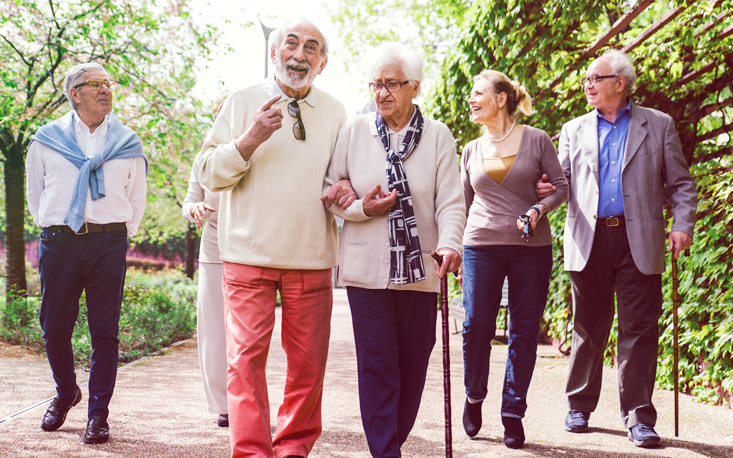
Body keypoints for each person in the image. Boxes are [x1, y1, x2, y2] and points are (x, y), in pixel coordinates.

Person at [197, 19, 350, 458]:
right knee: (244, 363)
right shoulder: (242, 102)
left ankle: (293, 450)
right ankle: (251, 453)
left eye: (311, 47)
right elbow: (207, 173)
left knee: (307, 368)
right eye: (291, 44)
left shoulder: (338, 112)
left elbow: (340, 182)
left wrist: (354, 195)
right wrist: (249, 140)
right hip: (248, 256)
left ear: (323, 61)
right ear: (273, 52)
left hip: (312, 257)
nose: (299, 54)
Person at [321, 42, 465, 458]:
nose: (381, 92)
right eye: (376, 84)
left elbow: (451, 202)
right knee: (378, 364)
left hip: (420, 273)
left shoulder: (438, 137)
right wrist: (362, 207)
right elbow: (332, 192)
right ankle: (386, 452)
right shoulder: (355, 131)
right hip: (366, 271)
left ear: (414, 87)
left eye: (391, 84)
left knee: (412, 369)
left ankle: (391, 441)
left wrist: (451, 243)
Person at [551, 49, 696, 448]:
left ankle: (638, 417)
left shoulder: (659, 125)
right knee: (588, 326)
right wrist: (542, 192)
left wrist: (682, 225)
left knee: (639, 329)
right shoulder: (573, 129)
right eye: (586, 80)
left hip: (640, 239)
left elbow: (681, 185)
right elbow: (560, 183)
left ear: (620, 82)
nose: (588, 85)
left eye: (595, 78)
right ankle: (579, 405)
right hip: (590, 237)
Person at [26, 62, 148, 444]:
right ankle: (66, 393)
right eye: (95, 84)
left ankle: (98, 414)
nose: (105, 89)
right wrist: (58, 230)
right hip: (60, 242)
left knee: (105, 333)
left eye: (109, 83)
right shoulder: (46, 140)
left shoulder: (128, 142)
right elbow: (35, 195)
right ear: (74, 93)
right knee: (54, 329)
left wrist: (113, 234)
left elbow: (136, 200)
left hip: (108, 244)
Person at [458, 69, 569, 449]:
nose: (470, 100)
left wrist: (539, 208)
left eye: (477, 93)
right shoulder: (471, 150)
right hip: (480, 247)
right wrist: (457, 250)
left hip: (531, 249)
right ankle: (474, 396)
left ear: (500, 98)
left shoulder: (536, 140)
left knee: (524, 331)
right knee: (475, 327)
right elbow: (464, 204)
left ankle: (513, 411)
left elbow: (562, 188)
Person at [182, 90, 230, 428]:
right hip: (213, 250)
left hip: (252, 250)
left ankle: (249, 399)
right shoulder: (204, 156)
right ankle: (225, 405)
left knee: (247, 335)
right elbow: (189, 201)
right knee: (214, 331)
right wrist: (194, 209)